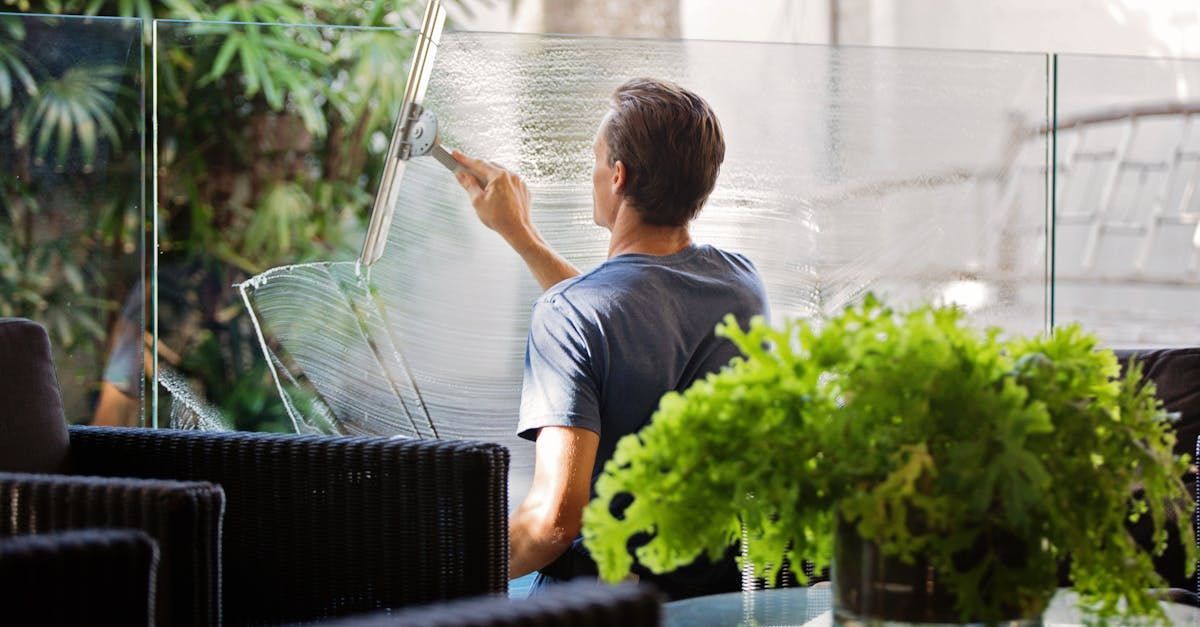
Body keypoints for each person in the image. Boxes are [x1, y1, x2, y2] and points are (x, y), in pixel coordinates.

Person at [451, 77, 769, 599]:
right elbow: (631, 314)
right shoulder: (742, 285)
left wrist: (439, 566)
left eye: (596, 159)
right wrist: (521, 236)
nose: (593, 172)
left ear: (618, 177)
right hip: (712, 597)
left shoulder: (571, 314)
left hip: (603, 603)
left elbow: (553, 524)